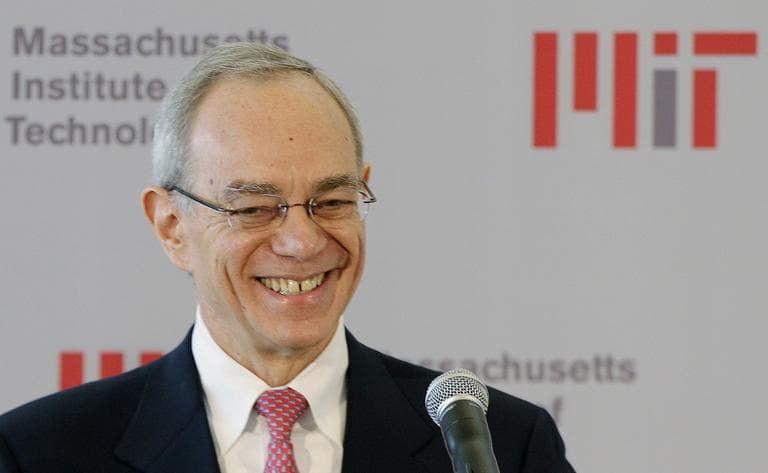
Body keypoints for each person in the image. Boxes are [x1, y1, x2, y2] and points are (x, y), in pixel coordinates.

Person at [0, 43, 576, 473]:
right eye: (253, 208)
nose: (301, 241)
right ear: (171, 226)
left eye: (331, 200)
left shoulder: (502, 442)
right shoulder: (41, 453)